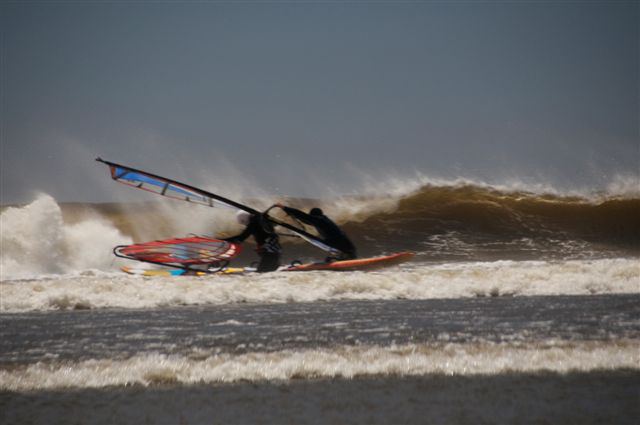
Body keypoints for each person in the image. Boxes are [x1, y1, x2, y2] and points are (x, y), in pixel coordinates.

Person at [276, 204, 357, 261]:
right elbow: (306, 220)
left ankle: (342, 258)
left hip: (340, 246)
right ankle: (342, 258)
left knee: (312, 239)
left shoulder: (319, 219)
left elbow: (303, 216)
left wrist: (285, 208)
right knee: (335, 256)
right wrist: (293, 215)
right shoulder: (324, 220)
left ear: (314, 215)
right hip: (348, 247)